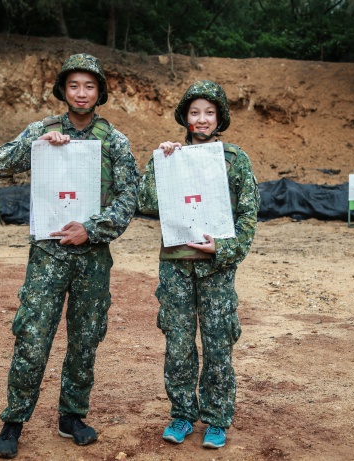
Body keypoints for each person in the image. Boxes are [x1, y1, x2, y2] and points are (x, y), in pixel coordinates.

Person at [0, 53, 139, 459]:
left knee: (85, 340)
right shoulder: (44, 129)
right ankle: (14, 420)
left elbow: (130, 196)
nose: (82, 93)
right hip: (48, 256)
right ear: (63, 90)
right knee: (33, 337)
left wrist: (93, 229)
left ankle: (71, 416)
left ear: (100, 91)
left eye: (89, 86)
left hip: (92, 257)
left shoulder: (114, 140)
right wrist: (34, 147)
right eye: (74, 85)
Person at [137, 80, 259, 449]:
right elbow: (144, 201)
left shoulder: (234, 159)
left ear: (219, 117)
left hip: (216, 270)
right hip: (176, 266)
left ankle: (218, 418)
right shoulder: (171, 155)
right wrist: (161, 161)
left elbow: (248, 217)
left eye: (209, 112)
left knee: (218, 343)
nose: (202, 119)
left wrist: (222, 248)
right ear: (185, 118)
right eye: (194, 112)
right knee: (178, 343)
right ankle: (182, 414)